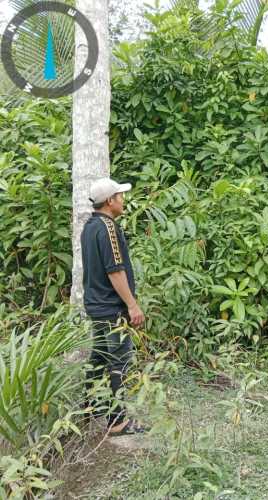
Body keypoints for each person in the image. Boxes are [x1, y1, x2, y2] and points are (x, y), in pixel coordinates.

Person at [81, 178, 149, 436]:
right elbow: (115, 271)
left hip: (96, 306)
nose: (123, 199)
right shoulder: (108, 228)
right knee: (120, 360)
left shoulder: (89, 227)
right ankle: (118, 421)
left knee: (99, 357)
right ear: (110, 201)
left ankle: (89, 409)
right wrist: (132, 305)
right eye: (119, 195)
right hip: (111, 308)